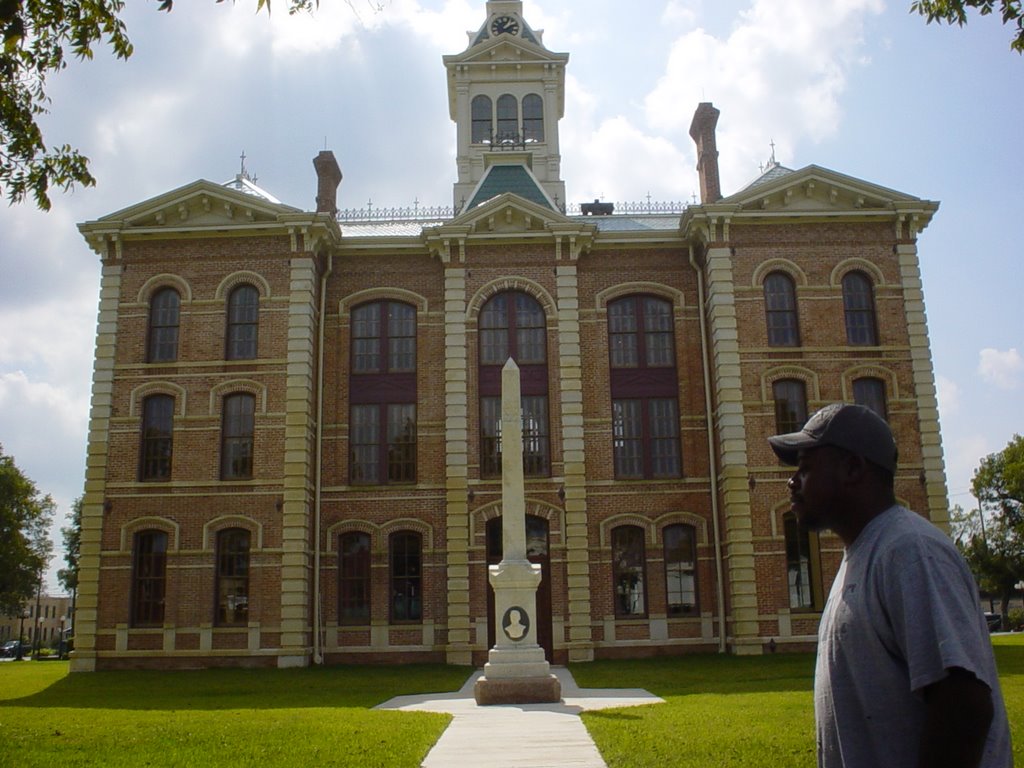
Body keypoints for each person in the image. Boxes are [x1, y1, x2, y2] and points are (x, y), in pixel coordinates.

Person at [768, 403, 1012, 768]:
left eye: (805, 468)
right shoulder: (865, 553)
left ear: (852, 468)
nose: (792, 481)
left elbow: (963, 704)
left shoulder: (910, 551)